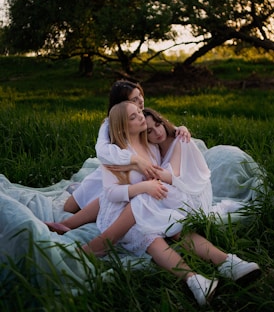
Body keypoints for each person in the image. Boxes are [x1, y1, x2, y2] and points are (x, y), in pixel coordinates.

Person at [48, 101, 261, 306]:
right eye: (134, 116)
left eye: (139, 112)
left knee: (175, 226)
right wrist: (143, 188)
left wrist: (181, 129)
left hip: (150, 204)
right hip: (121, 213)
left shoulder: (151, 146)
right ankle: (193, 279)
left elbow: (163, 132)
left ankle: (227, 262)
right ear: (123, 126)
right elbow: (111, 194)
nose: (140, 116)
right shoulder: (117, 155)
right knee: (148, 228)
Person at [63, 79, 190, 214]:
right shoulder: (109, 124)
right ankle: (77, 194)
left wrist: (180, 128)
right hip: (113, 171)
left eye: (140, 95)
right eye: (135, 99)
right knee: (70, 207)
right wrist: (135, 161)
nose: (141, 100)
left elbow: (161, 127)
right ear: (122, 103)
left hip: (135, 179)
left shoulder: (143, 115)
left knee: (116, 204)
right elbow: (102, 151)